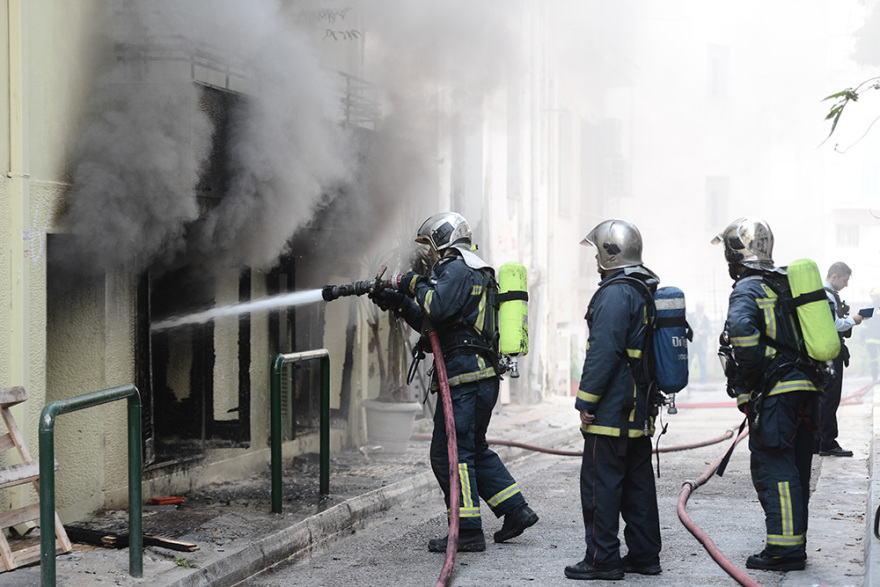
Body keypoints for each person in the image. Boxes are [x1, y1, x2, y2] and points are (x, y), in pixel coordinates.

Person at [369, 212, 538, 553]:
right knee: (471, 448)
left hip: (467, 379)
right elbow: (433, 324)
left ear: (444, 240)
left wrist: (410, 283)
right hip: (475, 378)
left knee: (451, 454)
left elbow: (437, 304)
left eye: (430, 245)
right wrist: (399, 303)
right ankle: (515, 509)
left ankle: (468, 530)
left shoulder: (459, 268)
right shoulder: (468, 269)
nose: (429, 253)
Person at [712, 217, 822, 572]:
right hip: (805, 388)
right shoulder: (784, 283)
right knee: (796, 468)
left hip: (776, 393)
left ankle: (784, 551)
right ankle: (794, 542)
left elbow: (742, 334)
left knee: (774, 468)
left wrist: (752, 376)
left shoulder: (747, 288)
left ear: (735, 255)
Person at [564, 219, 662, 581]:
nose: (594, 260)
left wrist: (585, 401)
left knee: (600, 484)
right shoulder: (641, 288)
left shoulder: (615, 293)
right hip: (637, 411)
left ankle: (601, 559)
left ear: (610, 253)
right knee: (637, 485)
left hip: (611, 410)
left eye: (597, 252)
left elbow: (603, 352)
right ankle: (645, 556)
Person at [816, 262, 864, 457]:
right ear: (834, 276)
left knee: (821, 397)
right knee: (830, 397)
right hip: (829, 351)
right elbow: (833, 325)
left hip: (820, 351)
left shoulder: (820, 293)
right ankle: (827, 442)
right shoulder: (827, 295)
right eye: (844, 280)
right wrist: (854, 320)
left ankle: (818, 441)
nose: (846, 285)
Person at [689, 302, 711, 385]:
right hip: (692, 343)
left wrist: (702, 332)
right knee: (689, 361)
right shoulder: (691, 317)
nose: (700, 309)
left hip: (701, 344)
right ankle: (687, 381)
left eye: (701, 308)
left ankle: (703, 381)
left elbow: (709, 330)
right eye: (699, 308)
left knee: (703, 362)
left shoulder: (705, 319)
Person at [861, 288, 880, 381]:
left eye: (875, 296)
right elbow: (864, 323)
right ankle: (874, 377)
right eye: (872, 296)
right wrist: (862, 336)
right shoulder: (868, 307)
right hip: (870, 339)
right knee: (873, 359)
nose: (873, 298)